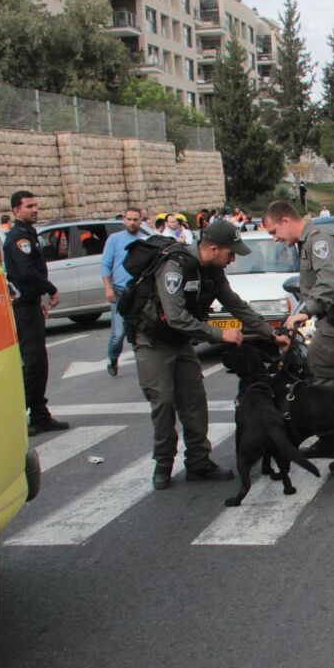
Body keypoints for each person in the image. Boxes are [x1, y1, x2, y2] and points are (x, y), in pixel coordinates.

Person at [127, 220, 284, 489]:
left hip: (181, 342)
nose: (232, 260)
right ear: (212, 248)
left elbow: (235, 304)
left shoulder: (213, 271)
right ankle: (163, 465)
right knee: (163, 402)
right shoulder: (174, 267)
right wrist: (219, 334)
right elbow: (175, 317)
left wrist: (270, 334)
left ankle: (198, 463)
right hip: (153, 342)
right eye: (230, 254)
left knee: (195, 401)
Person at [263, 200, 334, 455]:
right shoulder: (308, 241)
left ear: (285, 221)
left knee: (319, 377)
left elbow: (327, 281)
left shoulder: (319, 240)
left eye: (274, 232)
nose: (275, 239)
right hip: (331, 321)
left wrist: (305, 312)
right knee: (321, 375)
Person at [2, 190, 69, 436]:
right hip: (24, 309)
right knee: (33, 363)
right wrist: (49, 289)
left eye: (36, 205)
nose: (34, 210)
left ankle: (40, 414)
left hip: (30, 304)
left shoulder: (27, 234)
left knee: (38, 363)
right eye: (29, 206)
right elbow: (26, 271)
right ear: (16, 210)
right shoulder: (19, 237)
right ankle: (27, 416)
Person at [100, 206, 151, 377]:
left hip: (138, 292)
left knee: (140, 331)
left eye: (136, 219)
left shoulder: (145, 240)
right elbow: (105, 265)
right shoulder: (114, 239)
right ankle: (112, 359)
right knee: (119, 333)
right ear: (124, 220)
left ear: (140, 221)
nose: (132, 222)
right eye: (129, 219)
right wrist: (108, 287)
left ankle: (145, 365)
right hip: (120, 292)